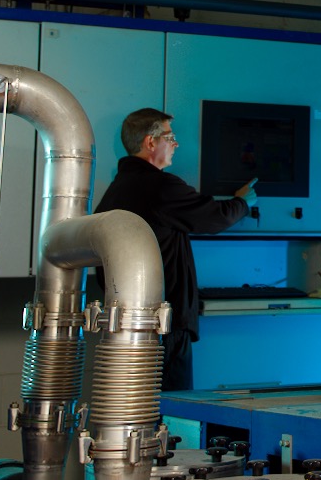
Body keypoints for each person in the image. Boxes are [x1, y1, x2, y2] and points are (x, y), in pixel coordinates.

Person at [94, 108, 257, 391]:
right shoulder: (159, 186)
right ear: (150, 142)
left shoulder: (118, 187)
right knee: (173, 416)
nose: (176, 144)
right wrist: (242, 203)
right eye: (170, 137)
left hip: (129, 325)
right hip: (164, 326)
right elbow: (214, 217)